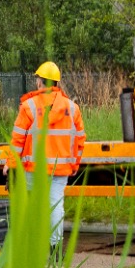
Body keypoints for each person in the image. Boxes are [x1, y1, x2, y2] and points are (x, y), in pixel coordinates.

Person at [11, 61, 85, 250]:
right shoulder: (73, 108)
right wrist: (75, 164)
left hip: (33, 169)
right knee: (55, 206)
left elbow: (17, 140)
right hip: (60, 170)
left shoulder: (29, 107)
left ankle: (32, 247)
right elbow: (79, 140)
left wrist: (11, 164)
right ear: (57, 84)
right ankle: (55, 247)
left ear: (39, 82)